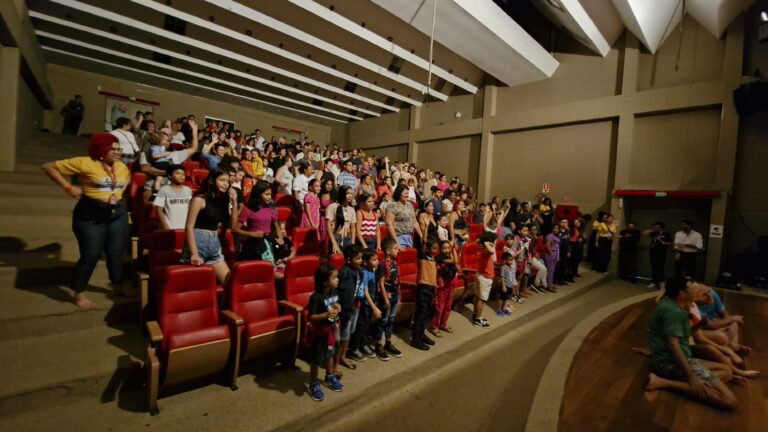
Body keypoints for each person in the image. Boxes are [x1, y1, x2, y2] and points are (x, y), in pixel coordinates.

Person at [42, 133, 131, 307]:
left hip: (116, 213)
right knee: (91, 254)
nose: (117, 152)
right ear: (100, 149)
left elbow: (126, 178)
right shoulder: (85, 162)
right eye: (112, 149)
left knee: (116, 253)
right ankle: (79, 292)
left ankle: (118, 285)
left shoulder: (121, 167)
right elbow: (48, 167)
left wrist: (118, 194)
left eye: (118, 149)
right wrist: (68, 187)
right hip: (90, 213)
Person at [645, 277, 738, 410]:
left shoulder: (673, 304)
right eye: (692, 288)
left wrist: (699, 325)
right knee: (730, 400)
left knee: (727, 371)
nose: (697, 290)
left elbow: (683, 335)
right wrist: (691, 376)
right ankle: (663, 382)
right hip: (669, 363)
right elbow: (673, 345)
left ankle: (696, 382)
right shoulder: (673, 312)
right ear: (682, 294)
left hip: (677, 358)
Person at [181, 169, 236, 286]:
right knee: (194, 287)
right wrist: (194, 253)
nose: (226, 184)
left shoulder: (222, 201)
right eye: (222, 180)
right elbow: (189, 227)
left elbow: (232, 225)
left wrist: (234, 203)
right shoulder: (199, 199)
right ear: (211, 181)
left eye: (228, 181)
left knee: (230, 284)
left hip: (214, 243)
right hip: (197, 242)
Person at [305, 264, 344, 401]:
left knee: (329, 355)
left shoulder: (335, 292)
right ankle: (314, 383)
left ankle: (329, 376)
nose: (337, 279)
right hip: (319, 333)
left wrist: (338, 307)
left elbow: (336, 305)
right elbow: (310, 317)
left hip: (331, 331)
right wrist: (326, 315)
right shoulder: (315, 297)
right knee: (316, 360)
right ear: (324, 281)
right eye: (334, 277)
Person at [348, 249, 381, 362]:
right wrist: (373, 306)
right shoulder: (364, 273)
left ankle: (363, 344)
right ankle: (354, 349)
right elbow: (365, 291)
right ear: (365, 262)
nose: (377, 262)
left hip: (371, 303)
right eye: (374, 260)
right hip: (364, 305)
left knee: (366, 326)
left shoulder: (372, 270)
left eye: (377, 259)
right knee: (360, 327)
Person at [372, 238, 403, 361]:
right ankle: (378, 344)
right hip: (386, 298)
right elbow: (380, 284)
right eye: (395, 248)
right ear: (388, 251)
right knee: (383, 320)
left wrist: (399, 296)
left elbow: (397, 281)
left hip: (395, 296)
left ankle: (388, 342)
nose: (398, 251)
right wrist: (385, 300)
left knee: (390, 320)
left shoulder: (395, 263)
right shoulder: (382, 265)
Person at [336, 244, 364, 372]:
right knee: (343, 336)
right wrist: (346, 312)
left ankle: (343, 356)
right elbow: (345, 294)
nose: (361, 261)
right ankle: (335, 364)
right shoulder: (345, 273)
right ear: (348, 260)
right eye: (357, 258)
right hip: (347, 310)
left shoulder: (357, 270)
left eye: (361, 258)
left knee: (348, 334)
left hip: (355, 307)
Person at [412, 239, 439, 350]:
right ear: (427, 249)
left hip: (431, 288)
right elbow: (423, 242)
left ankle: (421, 335)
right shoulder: (424, 257)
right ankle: (415, 339)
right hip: (423, 288)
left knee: (426, 314)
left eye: (437, 248)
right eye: (433, 248)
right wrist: (426, 227)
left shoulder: (433, 259)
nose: (435, 250)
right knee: (420, 315)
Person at [153, 165, 192, 230]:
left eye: (183, 174)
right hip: (170, 228)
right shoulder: (164, 190)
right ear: (169, 176)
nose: (181, 176)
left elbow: (190, 208)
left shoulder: (188, 190)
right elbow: (159, 211)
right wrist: (166, 227)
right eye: (177, 173)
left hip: (185, 228)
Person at [432, 240, 459, 334]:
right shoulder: (440, 258)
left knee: (448, 306)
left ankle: (443, 324)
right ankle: (435, 326)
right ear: (440, 249)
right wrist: (453, 249)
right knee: (440, 307)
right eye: (444, 248)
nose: (446, 250)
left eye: (448, 248)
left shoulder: (450, 255)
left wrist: (452, 250)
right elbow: (455, 261)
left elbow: (456, 264)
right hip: (443, 284)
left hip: (451, 283)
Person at [473, 232, 497, 328]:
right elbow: (492, 251)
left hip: (480, 275)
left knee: (477, 297)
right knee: (481, 299)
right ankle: (478, 319)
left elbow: (478, 240)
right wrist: (487, 242)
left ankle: (476, 315)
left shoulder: (481, 247)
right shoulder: (486, 250)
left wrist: (484, 242)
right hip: (485, 277)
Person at [386, 185, 420, 249]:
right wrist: (397, 242)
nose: (407, 195)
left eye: (408, 193)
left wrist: (421, 236)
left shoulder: (409, 205)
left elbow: (414, 222)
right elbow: (389, 224)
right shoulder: (392, 205)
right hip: (398, 237)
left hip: (409, 237)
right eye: (405, 193)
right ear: (399, 193)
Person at [644, 221, 673, 296]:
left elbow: (669, 243)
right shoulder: (654, 233)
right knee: (653, 267)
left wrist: (661, 241)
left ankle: (662, 287)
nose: (656, 228)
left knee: (660, 269)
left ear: (661, 228)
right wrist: (652, 230)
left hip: (661, 254)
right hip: (653, 253)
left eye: (657, 227)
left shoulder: (666, 234)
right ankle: (653, 282)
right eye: (655, 227)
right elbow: (644, 233)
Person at [326, 186, 356, 255]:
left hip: (348, 238)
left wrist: (353, 242)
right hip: (336, 237)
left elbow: (353, 227)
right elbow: (328, 225)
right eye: (347, 193)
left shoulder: (352, 209)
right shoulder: (332, 207)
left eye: (351, 193)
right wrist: (334, 243)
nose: (350, 195)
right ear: (342, 194)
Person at [499, 252, 518, 316]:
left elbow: (512, 276)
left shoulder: (510, 267)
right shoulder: (503, 267)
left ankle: (504, 309)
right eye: (509, 260)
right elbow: (502, 277)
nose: (511, 261)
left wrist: (513, 285)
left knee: (506, 299)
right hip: (505, 286)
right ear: (505, 260)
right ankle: (499, 310)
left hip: (510, 286)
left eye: (512, 259)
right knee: (502, 298)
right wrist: (503, 286)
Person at [544, 225, 560, 293]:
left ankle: (550, 284)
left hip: (556, 254)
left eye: (558, 228)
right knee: (550, 271)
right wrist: (551, 254)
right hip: (551, 254)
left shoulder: (556, 236)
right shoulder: (549, 236)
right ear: (552, 229)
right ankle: (549, 286)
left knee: (552, 271)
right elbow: (548, 246)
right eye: (555, 228)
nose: (557, 230)